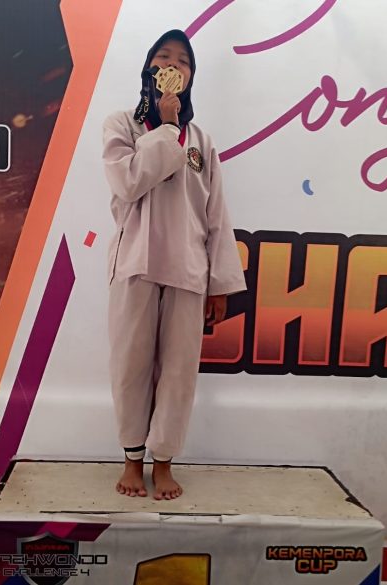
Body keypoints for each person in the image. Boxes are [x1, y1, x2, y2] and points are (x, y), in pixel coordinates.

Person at [102, 29, 246, 500]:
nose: (172, 65)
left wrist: (220, 284)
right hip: (136, 264)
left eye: (183, 60)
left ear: (190, 76)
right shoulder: (122, 125)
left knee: (179, 372)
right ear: (149, 69)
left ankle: (163, 462)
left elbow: (216, 215)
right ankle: (132, 460)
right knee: (130, 367)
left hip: (188, 269)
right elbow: (128, 182)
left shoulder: (202, 141)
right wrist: (164, 128)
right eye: (163, 56)